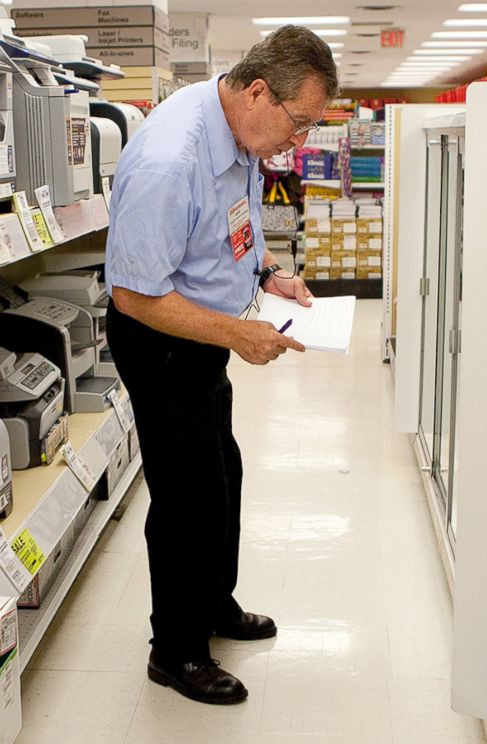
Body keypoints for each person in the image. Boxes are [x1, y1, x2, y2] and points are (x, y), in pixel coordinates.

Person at [104, 26, 337, 703]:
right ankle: (174, 651)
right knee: (185, 497)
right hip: (164, 340)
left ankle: (214, 605)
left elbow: (232, 225)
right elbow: (135, 295)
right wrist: (237, 332)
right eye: (298, 126)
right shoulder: (170, 159)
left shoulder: (234, 132)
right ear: (259, 91)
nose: (296, 144)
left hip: (205, 337)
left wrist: (269, 273)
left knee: (222, 472)